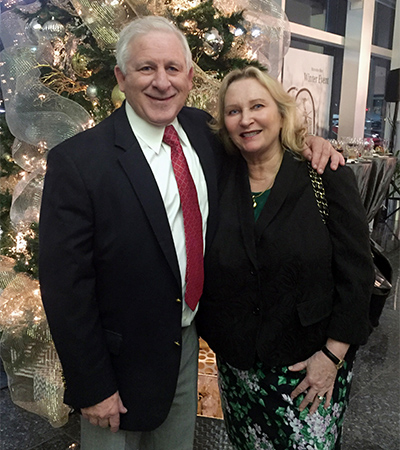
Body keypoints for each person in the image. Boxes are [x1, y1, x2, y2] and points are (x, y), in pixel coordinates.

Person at [39, 16, 343, 450]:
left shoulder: (205, 133)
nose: (162, 82)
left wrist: (311, 142)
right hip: (117, 366)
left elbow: (262, 138)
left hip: (185, 345)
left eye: (172, 68)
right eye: (146, 68)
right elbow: (65, 286)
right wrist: (92, 386)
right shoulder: (79, 162)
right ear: (121, 78)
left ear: (189, 76)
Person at [196, 66, 375, 450]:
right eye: (233, 111)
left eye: (257, 106)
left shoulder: (324, 173)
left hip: (309, 364)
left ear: (280, 112)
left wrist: (332, 356)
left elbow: (358, 274)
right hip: (240, 365)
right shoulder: (219, 177)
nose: (246, 119)